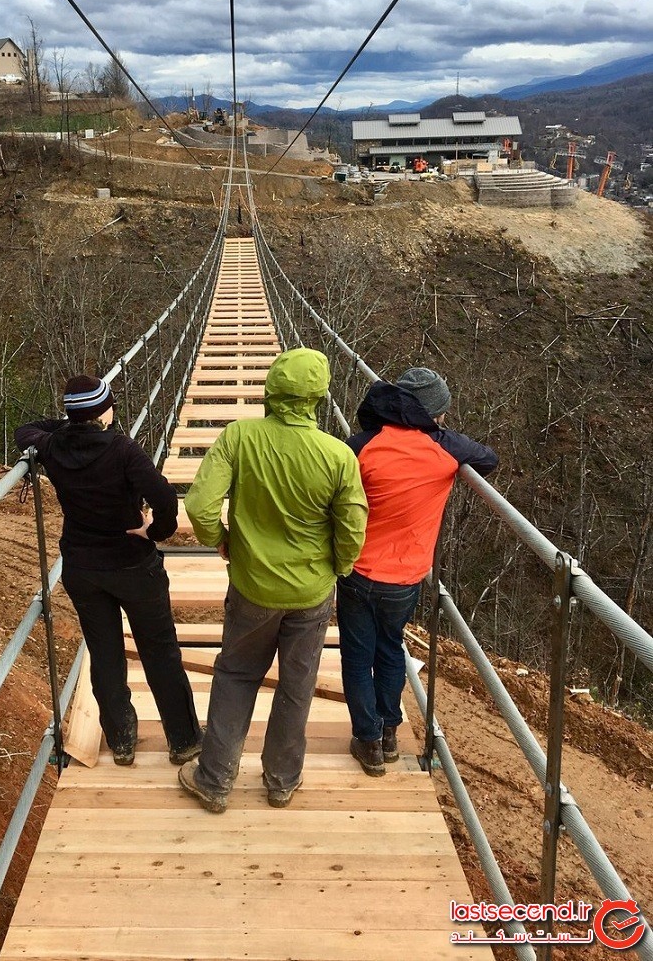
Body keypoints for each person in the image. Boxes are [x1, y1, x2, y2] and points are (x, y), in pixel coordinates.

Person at [179, 348, 369, 813]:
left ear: (270, 391)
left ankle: (216, 778)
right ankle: (282, 781)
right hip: (311, 591)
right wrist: (338, 568)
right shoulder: (338, 455)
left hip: (252, 587)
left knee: (237, 675)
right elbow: (353, 528)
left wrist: (220, 539)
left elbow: (199, 505)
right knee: (297, 684)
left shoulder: (238, 437)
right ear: (320, 398)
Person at [15, 375, 201, 767]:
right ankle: (183, 741)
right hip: (132, 563)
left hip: (83, 568)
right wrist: (156, 531)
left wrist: (69, 424)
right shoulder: (123, 450)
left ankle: (121, 741)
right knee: (160, 652)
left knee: (105, 654)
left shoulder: (52, 446)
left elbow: (25, 430)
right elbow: (166, 498)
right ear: (104, 410)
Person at [339, 366, 498, 777]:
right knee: (390, 649)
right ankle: (391, 733)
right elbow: (489, 459)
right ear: (431, 413)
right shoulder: (445, 448)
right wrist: (443, 437)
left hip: (355, 571)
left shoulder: (362, 445)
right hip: (405, 577)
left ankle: (368, 741)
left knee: (357, 656)